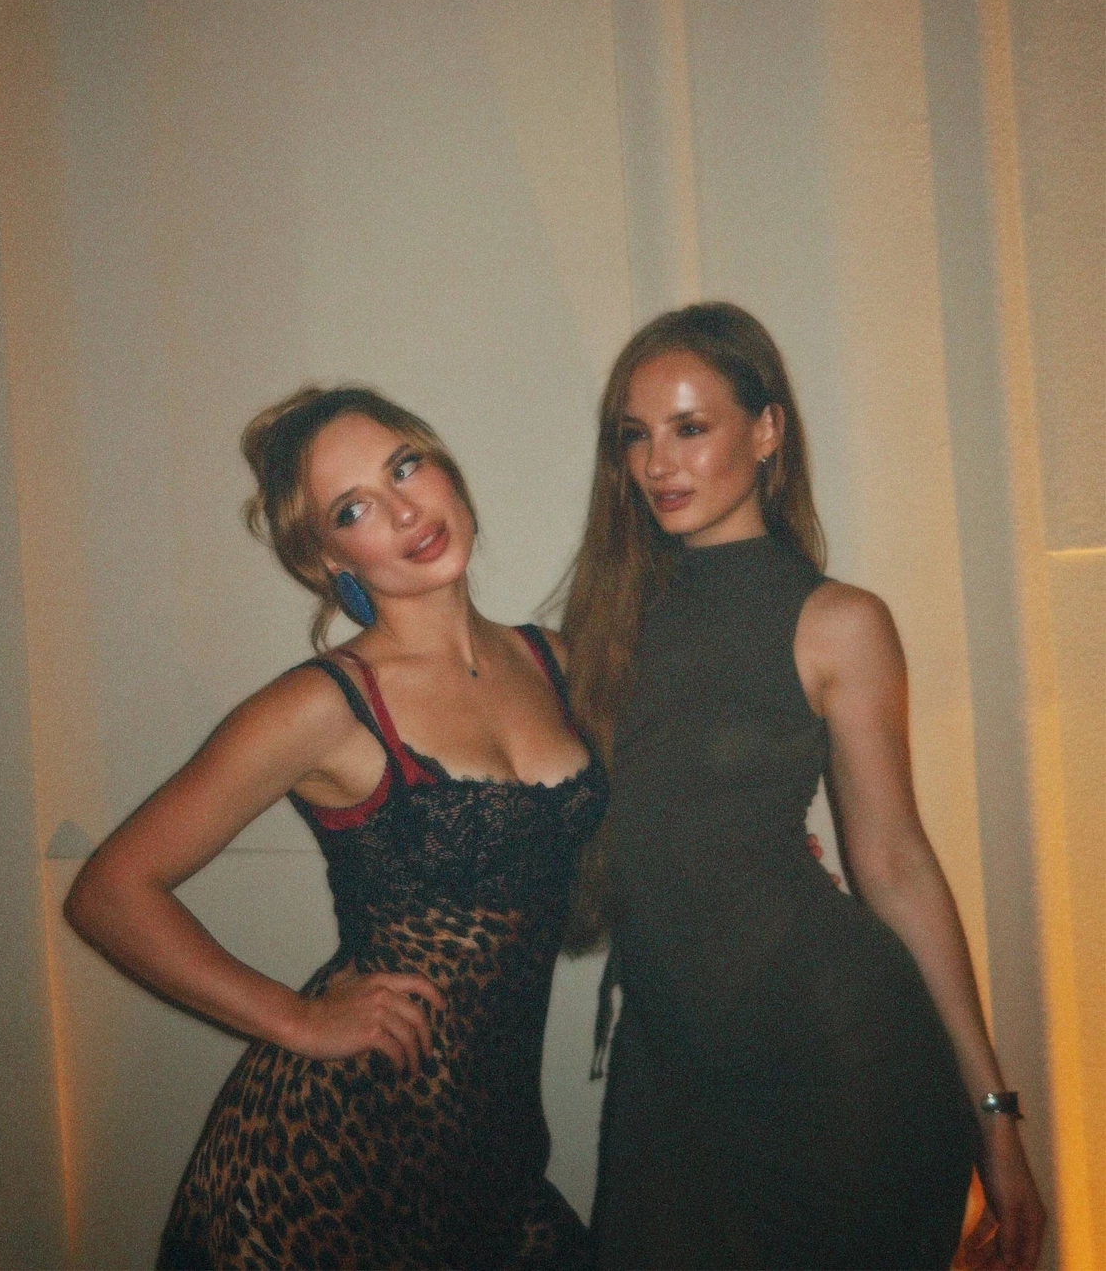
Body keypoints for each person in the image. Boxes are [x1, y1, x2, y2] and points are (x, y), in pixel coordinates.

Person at [65, 385, 607, 1271]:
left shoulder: (554, 660)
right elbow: (109, 894)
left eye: (405, 467)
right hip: (333, 1165)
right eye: (352, 509)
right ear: (326, 559)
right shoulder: (323, 704)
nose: (404, 511)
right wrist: (296, 1019)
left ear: (444, 468)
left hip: (491, 1151)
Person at [560, 304, 1045, 1271]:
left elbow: (895, 864)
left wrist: (994, 1113)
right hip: (666, 1069)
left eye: (690, 428)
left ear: (766, 430)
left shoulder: (837, 622)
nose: (658, 463)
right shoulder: (602, 626)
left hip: (834, 1063)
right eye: (636, 436)